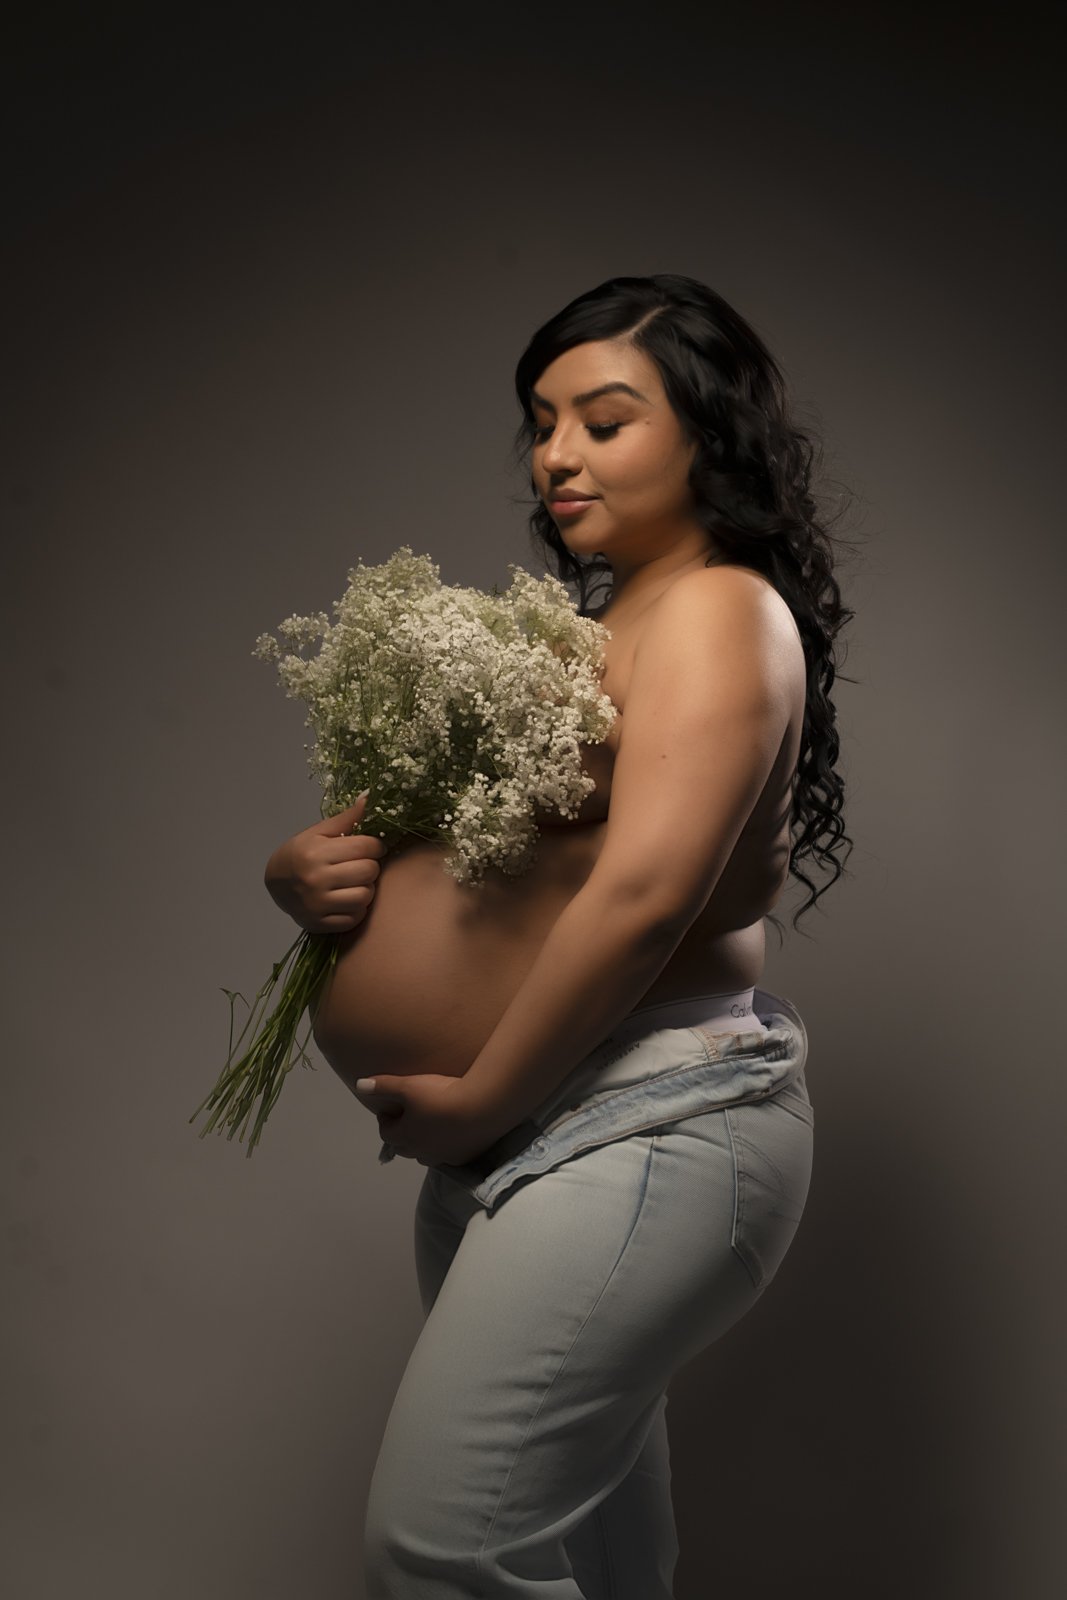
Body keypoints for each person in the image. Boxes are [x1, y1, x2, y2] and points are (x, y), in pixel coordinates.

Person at [265, 273, 856, 1597]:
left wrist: (482, 1095)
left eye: (604, 419)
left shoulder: (717, 608)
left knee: (443, 1544)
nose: (557, 455)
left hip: (644, 1126)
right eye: (542, 424)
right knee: (601, 1555)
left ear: (707, 432)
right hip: (541, 1132)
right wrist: (306, 873)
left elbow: (646, 895)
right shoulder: (593, 627)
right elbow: (469, 851)